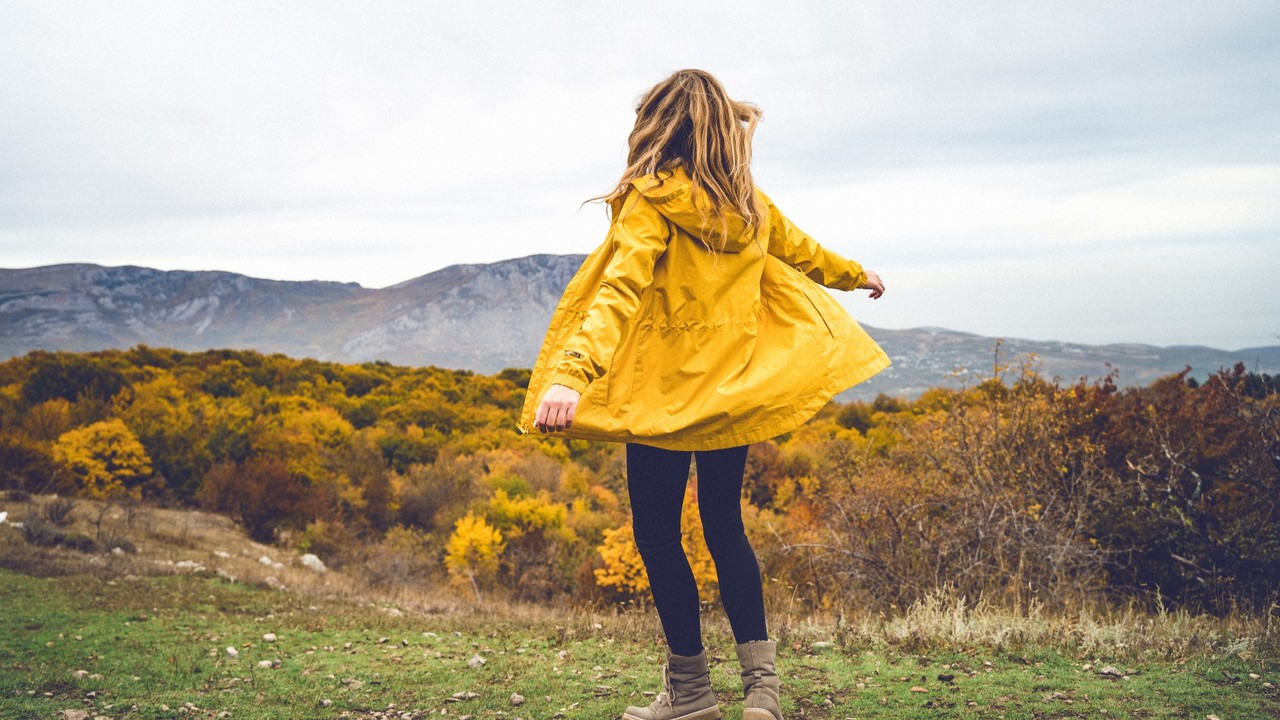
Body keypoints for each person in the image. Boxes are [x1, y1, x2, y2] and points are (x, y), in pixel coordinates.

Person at [518, 69, 890, 720]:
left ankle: (690, 695)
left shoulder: (653, 199)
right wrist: (857, 274)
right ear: (719, 129)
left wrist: (572, 375)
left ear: (659, 127)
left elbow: (618, 290)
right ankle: (762, 693)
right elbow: (806, 253)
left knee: (658, 536)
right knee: (724, 527)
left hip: (659, 401)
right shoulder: (749, 206)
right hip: (729, 396)